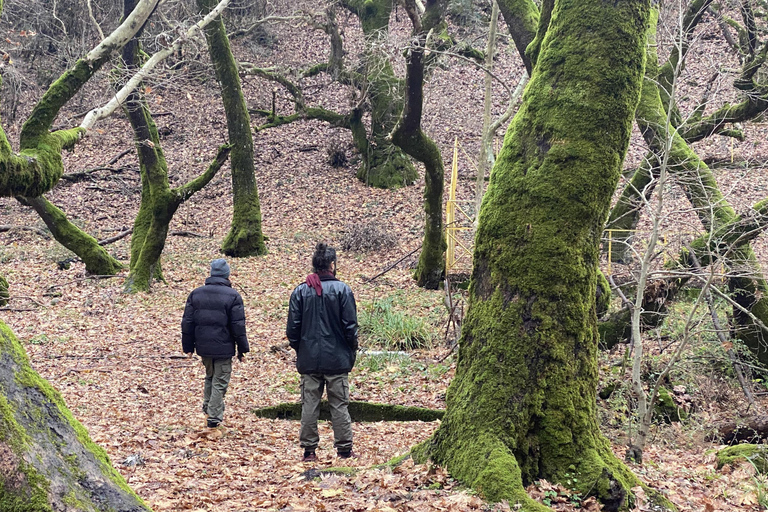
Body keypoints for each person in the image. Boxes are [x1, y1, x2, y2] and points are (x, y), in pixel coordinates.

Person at [287, 243, 358, 462]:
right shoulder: (343, 290)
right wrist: (351, 348)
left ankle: (309, 451)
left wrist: (302, 348)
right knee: (339, 404)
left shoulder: (300, 291)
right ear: (332, 265)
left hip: (310, 359)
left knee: (309, 404)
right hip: (337, 359)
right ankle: (344, 449)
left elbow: (292, 330)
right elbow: (350, 326)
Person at [182, 258, 249, 428]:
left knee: (210, 376)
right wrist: (242, 350)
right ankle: (213, 417)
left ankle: (208, 409)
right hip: (224, 348)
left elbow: (187, 322)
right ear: (227, 275)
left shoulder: (196, 294)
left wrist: (188, 347)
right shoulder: (233, 296)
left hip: (203, 347)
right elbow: (238, 326)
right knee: (219, 381)